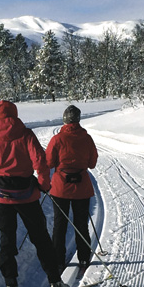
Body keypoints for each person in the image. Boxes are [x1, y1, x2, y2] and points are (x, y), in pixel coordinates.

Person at [0, 100, 70, 287]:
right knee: (41, 239)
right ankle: (55, 282)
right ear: (15, 113)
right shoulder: (26, 134)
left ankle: (11, 284)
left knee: (7, 241)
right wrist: (44, 185)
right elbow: (41, 162)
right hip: (27, 196)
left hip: (3, 198)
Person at [46, 105, 99, 274]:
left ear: (64, 120)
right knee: (81, 224)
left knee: (59, 226)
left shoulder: (57, 139)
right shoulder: (87, 138)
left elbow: (49, 163)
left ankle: (58, 261)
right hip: (82, 187)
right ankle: (84, 258)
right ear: (78, 120)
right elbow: (92, 163)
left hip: (60, 188)